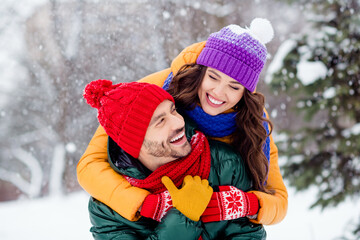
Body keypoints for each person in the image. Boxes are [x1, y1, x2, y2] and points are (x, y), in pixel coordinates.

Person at [77, 18, 287, 225]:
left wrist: (248, 204)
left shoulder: (254, 123)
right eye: (213, 77)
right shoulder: (155, 90)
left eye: (234, 87)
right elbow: (90, 165)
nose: (219, 92)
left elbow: (278, 199)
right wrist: (145, 203)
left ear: (246, 92)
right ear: (201, 70)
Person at [83, 80, 266, 239]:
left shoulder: (225, 163)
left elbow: (246, 233)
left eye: (173, 111)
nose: (179, 123)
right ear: (134, 144)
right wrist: (183, 216)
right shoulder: (108, 208)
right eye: (160, 121)